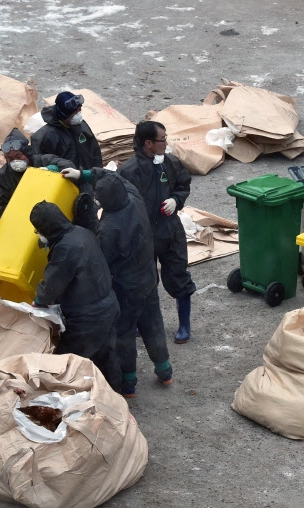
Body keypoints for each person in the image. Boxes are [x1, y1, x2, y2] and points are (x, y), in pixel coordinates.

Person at [64, 168, 174, 398]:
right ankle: (164, 371)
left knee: (124, 333)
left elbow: (100, 261)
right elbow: (116, 177)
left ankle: (129, 382)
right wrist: (84, 173)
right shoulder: (135, 198)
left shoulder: (109, 228)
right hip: (148, 278)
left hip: (127, 288)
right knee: (153, 323)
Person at [30, 201, 122, 393]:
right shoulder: (81, 232)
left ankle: (73, 402)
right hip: (108, 304)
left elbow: (52, 285)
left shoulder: (65, 249)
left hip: (88, 317)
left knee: (67, 360)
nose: (39, 235)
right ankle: (116, 397)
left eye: (38, 230)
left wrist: (38, 301)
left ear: (46, 228)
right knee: (107, 355)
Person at [118, 121, 196, 344]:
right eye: (162, 139)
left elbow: (183, 184)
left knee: (179, 277)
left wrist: (176, 199)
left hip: (170, 232)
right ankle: (144, 324)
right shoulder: (128, 171)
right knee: (143, 282)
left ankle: (184, 325)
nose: (166, 143)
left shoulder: (170, 164)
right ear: (148, 143)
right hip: (142, 237)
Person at [32, 91, 104, 230]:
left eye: (79, 110)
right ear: (63, 114)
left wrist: (97, 179)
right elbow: (39, 164)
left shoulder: (82, 126)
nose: (79, 114)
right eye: (75, 112)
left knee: (90, 226)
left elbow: (95, 153)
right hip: (63, 192)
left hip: (86, 186)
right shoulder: (47, 136)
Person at [0, 128, 76, 217]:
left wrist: (51, 169)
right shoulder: (1, 177)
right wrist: (19, 214)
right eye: (10, 159)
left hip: (57, 209)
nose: (15, 161)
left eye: (18, 156)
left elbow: (68, 165)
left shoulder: (43, 160)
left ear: (27, 153)